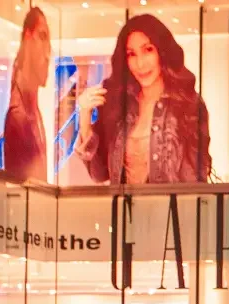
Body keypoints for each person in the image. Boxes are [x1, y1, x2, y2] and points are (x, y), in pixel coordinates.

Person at [74, 14, 212, 184]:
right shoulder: (120, 106)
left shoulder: (187, 104)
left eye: (148, 50)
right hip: (125, 209)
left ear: (162, 51)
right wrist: (85, 116)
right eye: (131, 54)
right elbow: (99, 174)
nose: (140, 63)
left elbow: (196, 179)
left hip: (170, 209)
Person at [3, 6, 52, 183]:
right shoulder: (18, 115)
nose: (48, 54)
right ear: (27, 37)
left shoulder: (32, 112)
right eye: (42, 37)